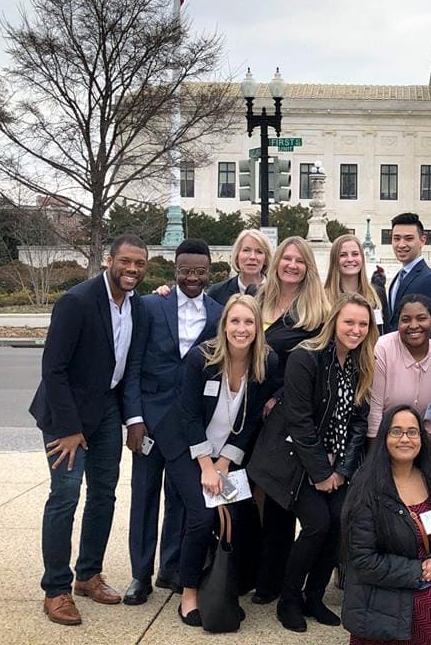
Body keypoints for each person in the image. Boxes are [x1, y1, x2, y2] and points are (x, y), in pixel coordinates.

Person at [30, 234, 148, 625]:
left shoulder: (137, 309)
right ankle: (57, 589)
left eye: (140, 264)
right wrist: (67, 428)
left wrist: (132, 419)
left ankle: (88, 574)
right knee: (64, 497)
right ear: (109, 261)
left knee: (104, 495)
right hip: (65, 416)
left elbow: (128, 369)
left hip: (107, 413)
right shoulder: (76, 302)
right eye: (126, 261)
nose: (132, 269)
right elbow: (53, 368)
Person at [249, 294, 379, 632]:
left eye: (363, 324)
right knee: (317, 523)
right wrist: (322, 472)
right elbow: (299, 420)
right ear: (334, 321)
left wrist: (341, 471)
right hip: (295, 461)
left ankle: (314, 597)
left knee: (339, 522)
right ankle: (289, 599)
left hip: (334, 465)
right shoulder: (305, 357)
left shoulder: (362, 364)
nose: (356, 329)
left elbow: (358, 424)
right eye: (349, 322)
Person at [158, 294, 279, 626]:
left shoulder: (266, 363)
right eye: (235, 321)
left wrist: (225, 462)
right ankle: (189, 593)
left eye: (249, 322)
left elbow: (252, 419)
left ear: (258, 327)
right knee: (200, 516)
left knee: (237, 516)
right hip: (188, 450)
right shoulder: (202, 359)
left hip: (227, 454)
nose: (241, 329)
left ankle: (225, 585)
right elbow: (188, 415)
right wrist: (207, 466)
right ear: (224, 325)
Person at [121, 239, 223, 605]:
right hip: (149, 422)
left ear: (210, 272)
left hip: (189, 425)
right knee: (144, 498)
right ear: (174, 270)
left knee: (182, 499)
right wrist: (133, 418)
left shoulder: (219, 313)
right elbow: (132, 365)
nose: (192, 277)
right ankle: (140, 576)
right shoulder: (150, 305)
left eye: (199, 271)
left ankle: (172, 567)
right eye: (185, 271)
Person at [342, 405, 431, 645]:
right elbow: (363, 560)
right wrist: (420, 570)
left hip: (429, 583)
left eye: (412, 432)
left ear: (422, 439)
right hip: (385, 588)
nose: (405, 439)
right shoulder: (366, 486)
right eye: (397, 432)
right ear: (384, 438)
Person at [250, 235, 332, 603]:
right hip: (247, 408)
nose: (293, 266)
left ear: (308, 266)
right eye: (287, 259)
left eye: (300, 260)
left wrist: (281, 397)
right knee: (252, 498)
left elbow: (314, 366)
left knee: (280, 498)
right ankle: (249, 572)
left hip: (283, 413)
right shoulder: (257, 300)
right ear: (277, 262)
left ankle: (274, 580)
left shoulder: (315, 310)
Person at [369, 294, 431, 440]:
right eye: (406, 320)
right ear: (398, 323)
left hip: (422, 443)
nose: (414, 325)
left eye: (421, 318)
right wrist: (376, 454)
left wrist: (424, 449)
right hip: (384, 440)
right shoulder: (382, 348)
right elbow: (375, 409)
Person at [325, 233, 386, 329]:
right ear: (334, 260)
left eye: (355, 254)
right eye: (343, 255)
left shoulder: (377, 294)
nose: (350, 259)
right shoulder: (323, 298)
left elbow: (385, 333)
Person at [386, 212, 431, 325]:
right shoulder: (398, 277)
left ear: (422, 241)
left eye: (408, 239)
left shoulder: (429, 279)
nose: (401, 245)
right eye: (396, 238)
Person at [207, 228, 272, 304]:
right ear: (237, 255)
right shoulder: (217, 293)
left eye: (259, 252)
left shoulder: (278, 292)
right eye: (246, 250)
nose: (252, 257)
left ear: (266, 259)